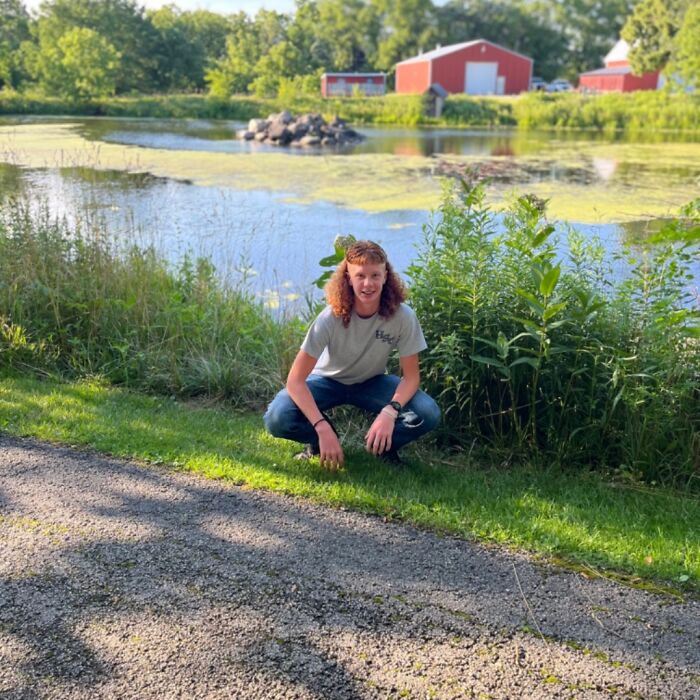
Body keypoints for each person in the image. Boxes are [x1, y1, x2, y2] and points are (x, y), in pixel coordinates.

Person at [264, 240, 440, 469]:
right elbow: (295, 381)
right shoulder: (330, 318)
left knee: (427, 412)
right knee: (277, 417)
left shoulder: (403, 317)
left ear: (385, 276)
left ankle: (382, 448)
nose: (368, 284)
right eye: (360, 276)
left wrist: (390, 411)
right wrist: (321, 426)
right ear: (348, 278)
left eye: (375, 275)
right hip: (327, 381)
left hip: (372, 382)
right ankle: (320, 443)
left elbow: (411, 378)